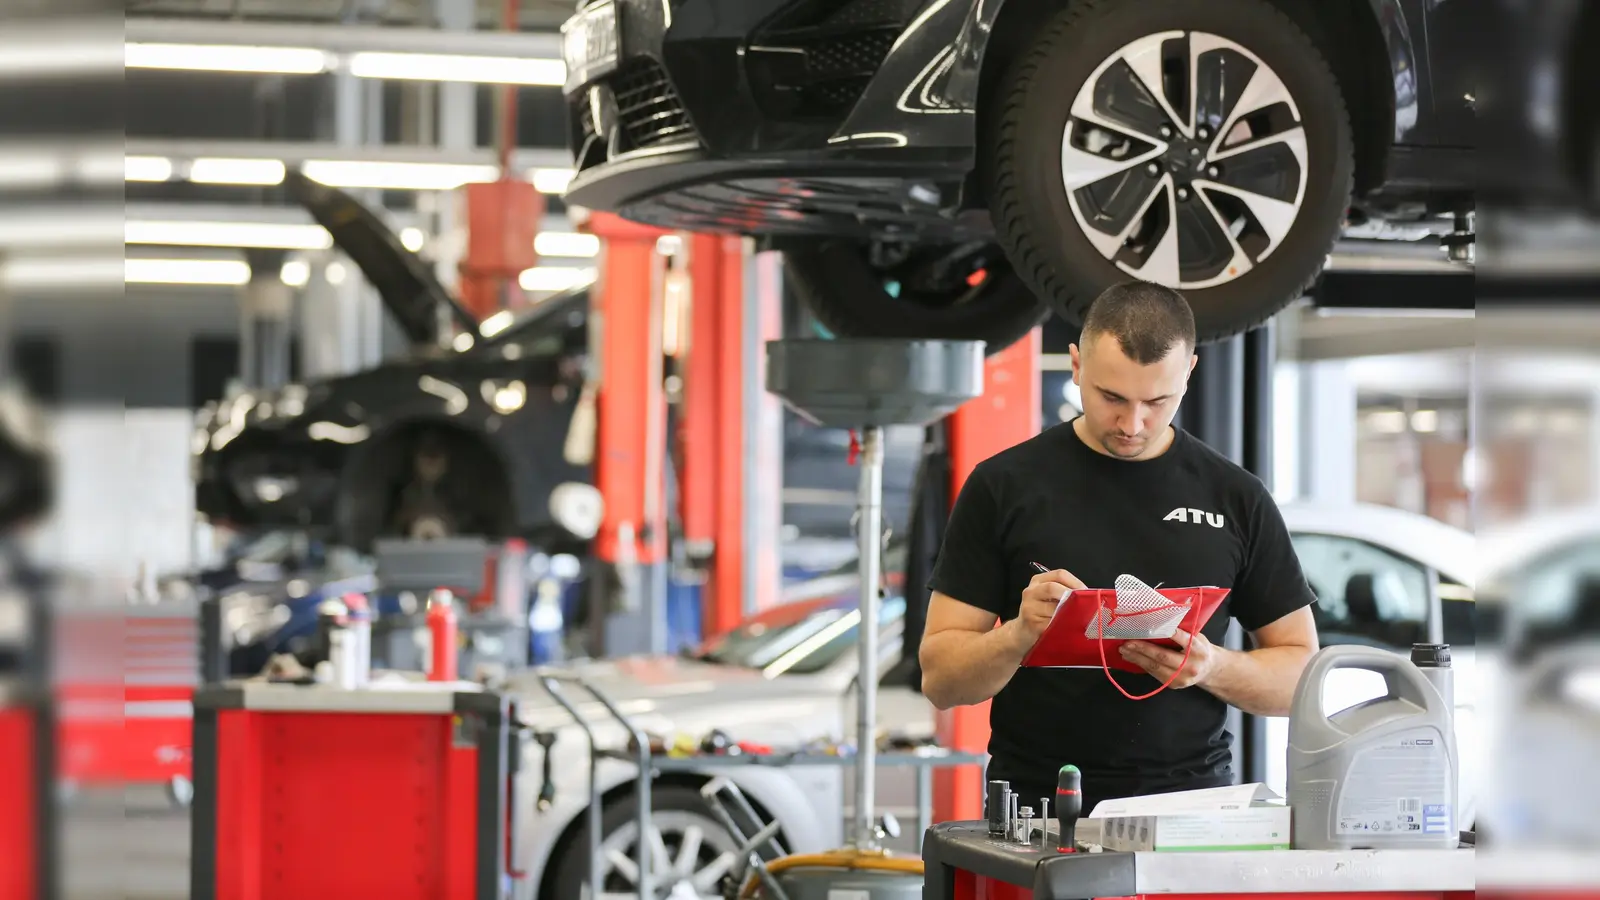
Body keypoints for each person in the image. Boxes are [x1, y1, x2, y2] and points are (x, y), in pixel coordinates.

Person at [918, 279, 1319, 815]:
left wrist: (1211, 667)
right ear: (1076, 366)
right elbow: (940, 679)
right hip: (1037, 809)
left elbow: (1301, 678)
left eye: (1158, 401)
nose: (1133, 424)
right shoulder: (1003, 486)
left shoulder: (1236, 496)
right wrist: (1018, 635)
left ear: (1190, 374)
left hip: (1191, 810)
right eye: (1112, 398)